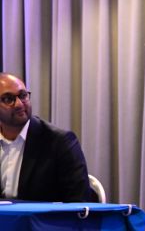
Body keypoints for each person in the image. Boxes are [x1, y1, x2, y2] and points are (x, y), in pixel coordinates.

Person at [0, 73, 91, 202]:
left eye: (23, 95)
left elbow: (79, 201)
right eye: (8, 99)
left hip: (44, 216)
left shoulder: (60, 142)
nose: (19, 104)